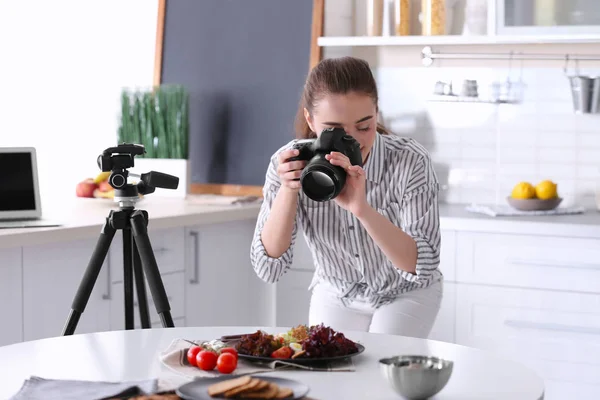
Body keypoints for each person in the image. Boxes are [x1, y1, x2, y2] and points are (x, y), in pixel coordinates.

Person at [250, 56, 442, 338]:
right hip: (336, 291)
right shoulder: (290, 162)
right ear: (310, 120)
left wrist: (362, 209)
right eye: (335, 130)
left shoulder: (409, 160)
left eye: (364, 127)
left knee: (381, 368)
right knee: (329, 372)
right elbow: (269, 269)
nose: (353, 141)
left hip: (405, 292)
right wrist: (288, 191)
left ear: (377, 113)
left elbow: (421, 266)